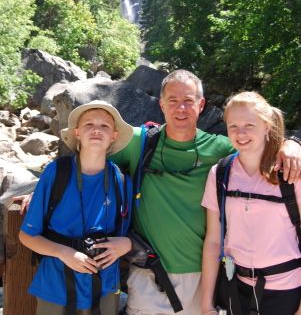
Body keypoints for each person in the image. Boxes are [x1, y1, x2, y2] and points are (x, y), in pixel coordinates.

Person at [16, 71, 301, 315]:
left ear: (201, 105)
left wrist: (291, 142)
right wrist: (39, 188)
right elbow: (91, 159)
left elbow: (256, 145)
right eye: (173, 101)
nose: (181, 109)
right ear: (161, 105)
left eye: (188, 101)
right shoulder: (139, 142)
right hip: (148, 275)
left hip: (205, 276)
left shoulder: (221, 148)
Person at [19, 100, 134, 315]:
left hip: (104, 287)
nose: (97, 130)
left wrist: (127, 243)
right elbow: (27, 236)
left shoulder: (122, 181)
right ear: (77, 133)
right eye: (89, 124)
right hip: (56, 283)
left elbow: (129, 231)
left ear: (114, 136)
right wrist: (65, 252)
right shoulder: (56, 173)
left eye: (105, 126)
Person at [201, 92, 301, 315]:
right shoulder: (220, 173)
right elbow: (213, 241)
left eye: (249, 124)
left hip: (286, 291)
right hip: (236, 288)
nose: (241, 133)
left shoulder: (291, 172)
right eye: (233, 126)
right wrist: (206, 303)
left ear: (267, 126)